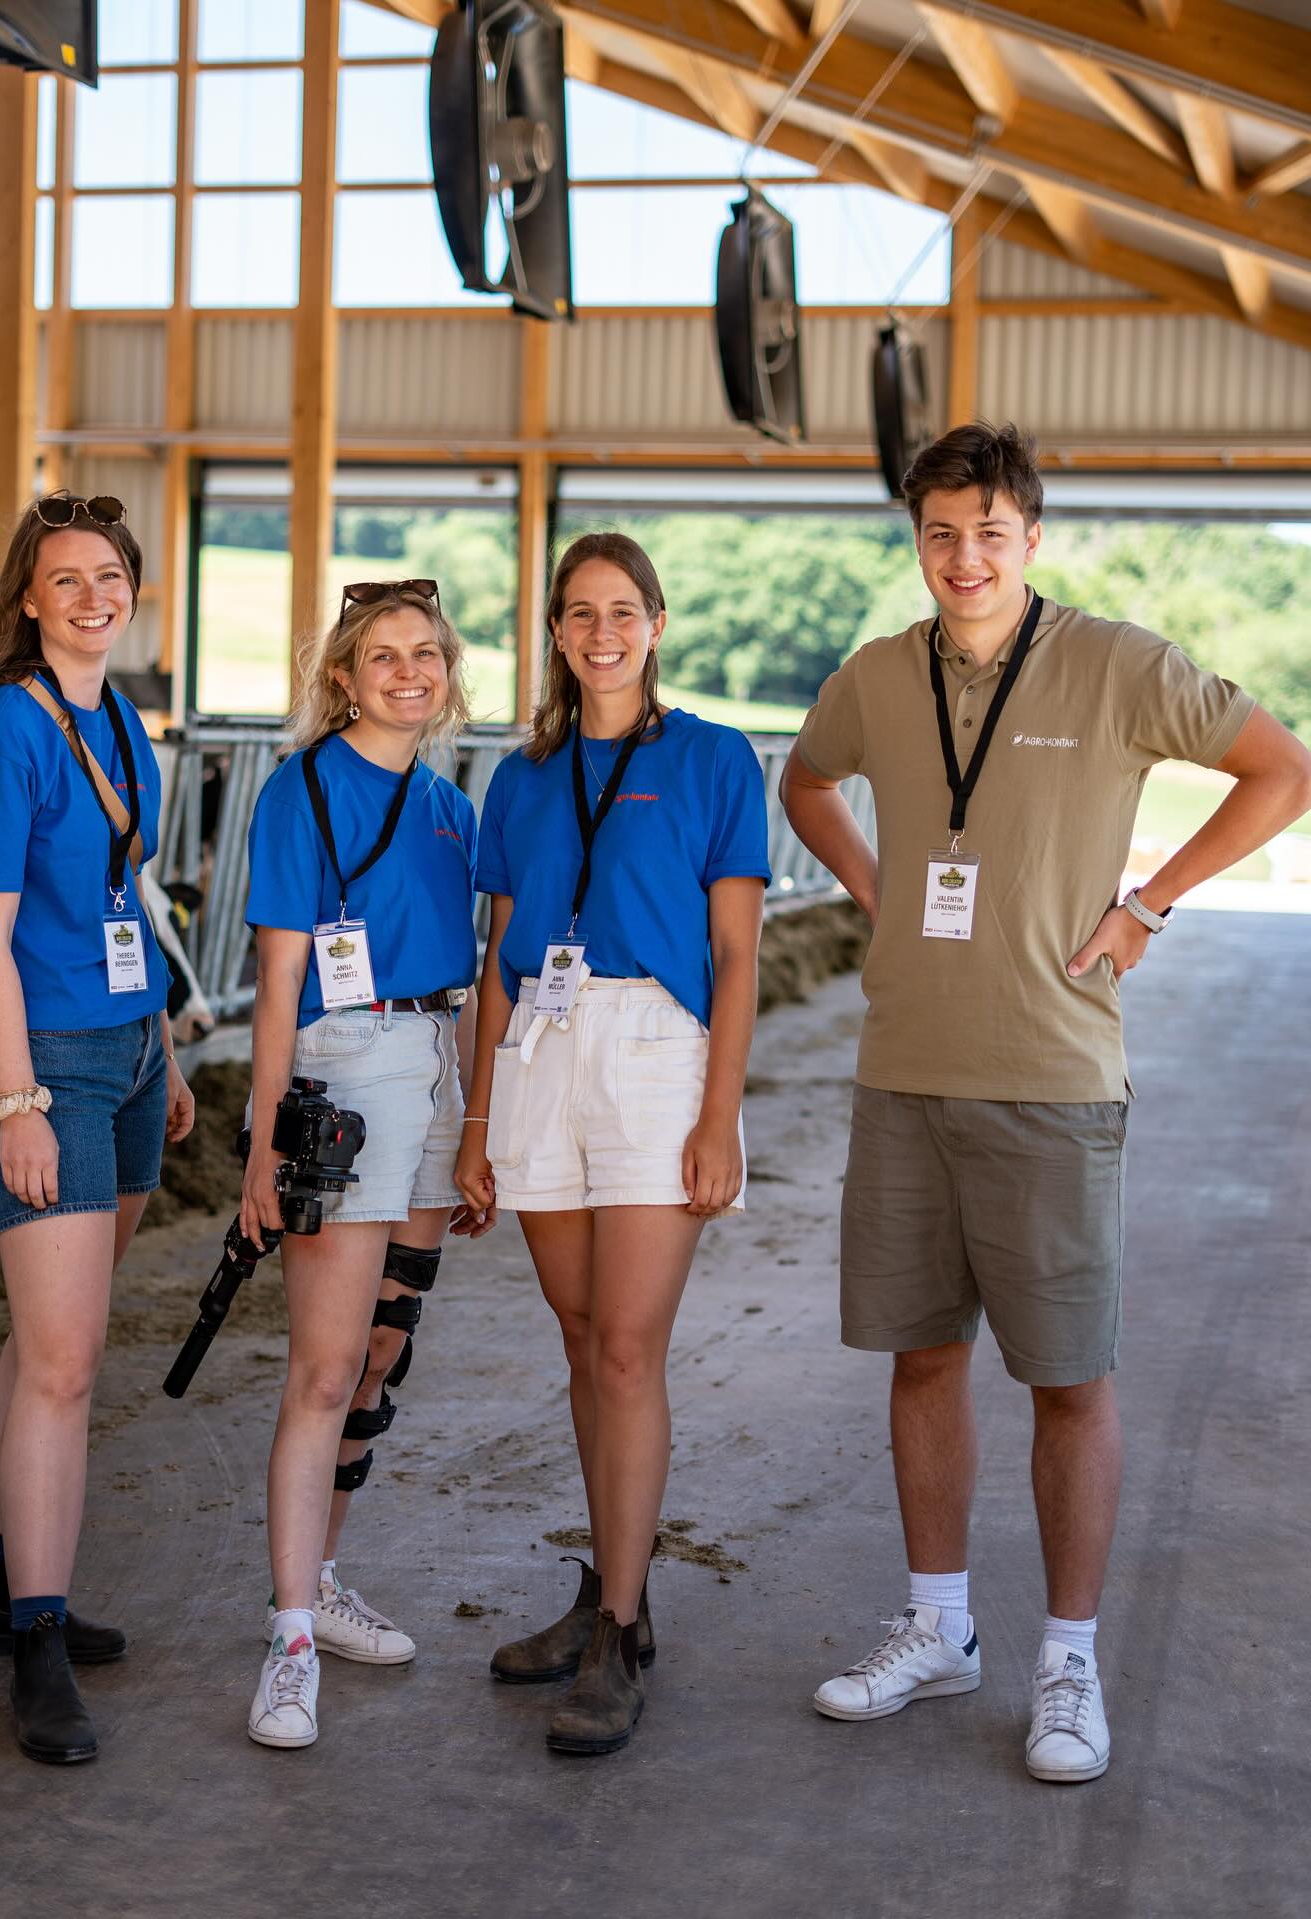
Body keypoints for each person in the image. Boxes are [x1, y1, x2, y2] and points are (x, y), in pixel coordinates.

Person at [782, 422, 1311, 1783]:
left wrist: (1149, 903)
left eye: (990, 532)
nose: (965, 557)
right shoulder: (878, 674)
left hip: (1054, 1081)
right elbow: (807, 777)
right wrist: (879, 889)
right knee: (920, 1357)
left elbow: (1284, 769)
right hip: (905, 1073)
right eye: (941, 533)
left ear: (1032, 535)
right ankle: (940, 1625)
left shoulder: (1118, 662)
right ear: (918, 540)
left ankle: (1068, 1657)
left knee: (1069, 1377)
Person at [454, 531, 769, 1756]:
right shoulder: (522, 775)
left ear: (657, 622)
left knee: (631, 1348)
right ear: (555, 630)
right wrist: (478, 1119)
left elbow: (735, 954)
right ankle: (605, 1585)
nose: (602, 633)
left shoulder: (713, 757)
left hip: (655, 1049)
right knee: (582, 1335)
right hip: (542, 1042)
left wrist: (718, 1113)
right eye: (580, 612)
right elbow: (498, 958)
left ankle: (623, 1629)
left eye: (623, 610)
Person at [0, 492, 196, 1765]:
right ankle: (36, 1643)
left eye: (111, 575)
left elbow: (121, 888)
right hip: (46, 1064)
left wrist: (167, 1043)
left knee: (48, 1342)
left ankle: (1, 1582)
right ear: (29, 598)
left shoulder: (119, 719)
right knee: (64, 1362)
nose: (94, 596)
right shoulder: (1, 731)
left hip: (128, 1049)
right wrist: (17, 1097)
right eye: (67, 578)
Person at [238, 578, 479, 1750]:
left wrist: (476, 1122)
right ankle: (288, 1638)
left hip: (436, 1058)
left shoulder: (451, 805)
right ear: (342, 674)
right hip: (343, 1062)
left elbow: (479, 962)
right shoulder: (301, 788)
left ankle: (324, 1580)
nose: (409, 671)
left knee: (388, 1343)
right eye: (384, 654)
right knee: (326, 1367)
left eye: (426, 652)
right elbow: (280, 978)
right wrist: (262, 1137)